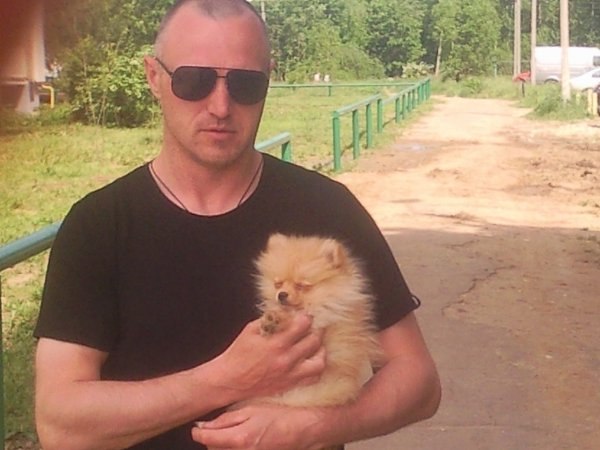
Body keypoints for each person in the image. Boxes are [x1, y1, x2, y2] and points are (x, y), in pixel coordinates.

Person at [33, 1, 441, 449]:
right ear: (154, 77)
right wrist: (227, 379)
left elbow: (418, 381)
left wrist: (312, 427)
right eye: (194, 81)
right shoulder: (98, 227)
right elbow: (61, 426)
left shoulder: (327, 209)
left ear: (268, 79)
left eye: (246, 84)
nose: (221, 106)